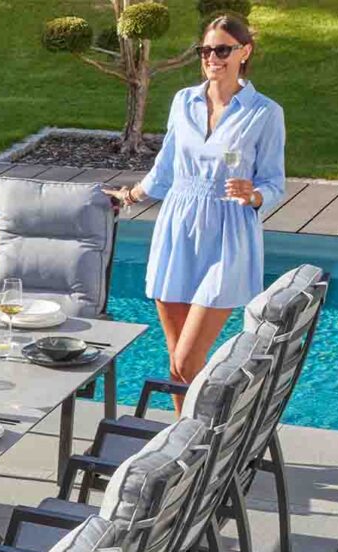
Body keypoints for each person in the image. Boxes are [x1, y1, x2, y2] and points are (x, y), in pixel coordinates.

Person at [109, 14, 286, 385]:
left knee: (189, 360)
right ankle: (188, 441)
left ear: (245, 52)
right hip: (177, 228)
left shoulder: (265, 113)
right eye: (205, 50)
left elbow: (274, 183)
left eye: (222, 49)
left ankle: (218, 437)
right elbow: (166, 167)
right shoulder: (183, 101)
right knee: (177, 362)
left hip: (226, 233)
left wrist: (253, 195)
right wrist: (130, 196)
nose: (212, 57)